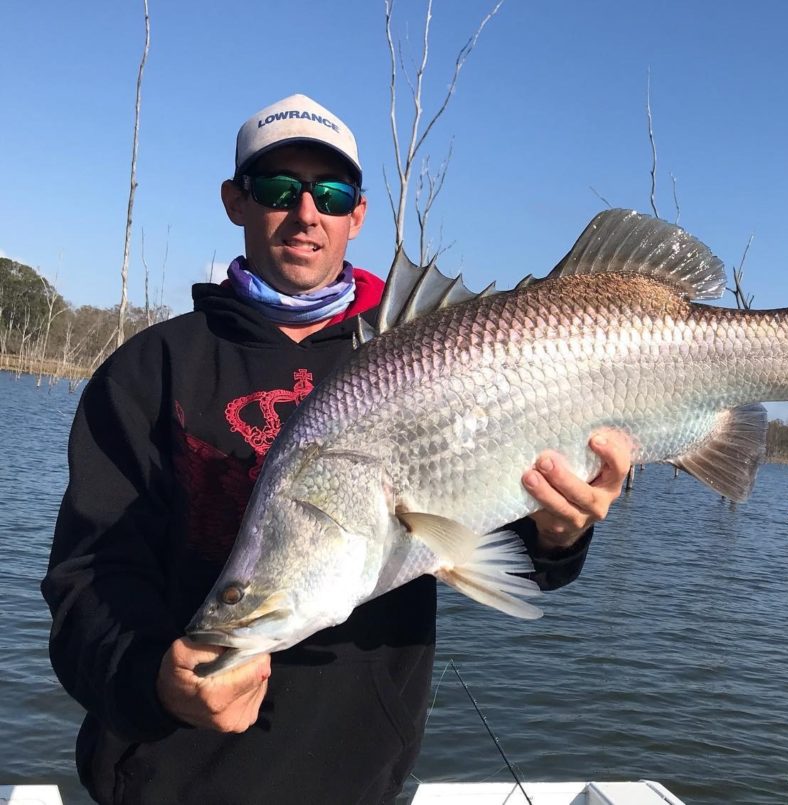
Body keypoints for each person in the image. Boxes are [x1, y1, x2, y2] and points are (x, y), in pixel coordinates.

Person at [42, 93, 632, 804]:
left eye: (330, 192)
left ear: (357, 213)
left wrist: (561, 534)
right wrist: (153, 677)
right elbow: (86, 583)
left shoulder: (439, 356)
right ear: (236, 200)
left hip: (360, 783)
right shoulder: (148, 369)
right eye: (277, 188)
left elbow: (517, 549)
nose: (306, 212)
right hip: (166, 782)